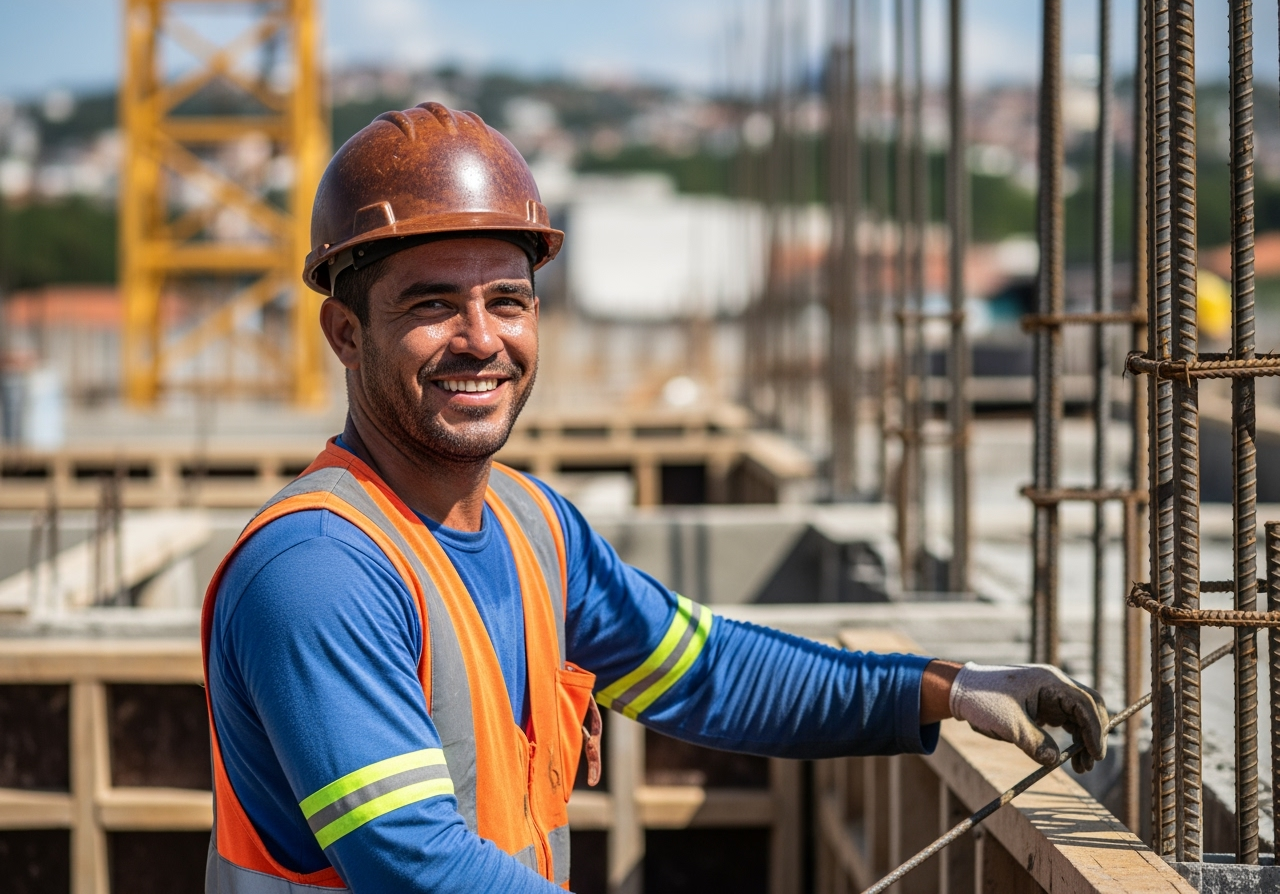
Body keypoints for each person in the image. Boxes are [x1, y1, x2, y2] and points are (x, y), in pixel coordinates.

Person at [201, 103, 1108, 894]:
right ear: (346, 333)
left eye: (508, 300)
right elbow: (416, 865)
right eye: (432, 306)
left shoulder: (532, 528)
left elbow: (710, 672)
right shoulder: (318, 568)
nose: (481, 340)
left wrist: (947, 689)